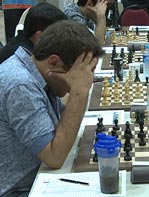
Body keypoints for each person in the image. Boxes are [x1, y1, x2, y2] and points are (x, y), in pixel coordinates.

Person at [0, 20, 103, 196]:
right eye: (83, 72)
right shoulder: (20, 85)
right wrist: (79, 92)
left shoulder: (34, 69)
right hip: (21, 190)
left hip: (41, 177)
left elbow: (60, 124)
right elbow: (55, 156)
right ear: (54, 63)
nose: (87, 78)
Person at [0, 2, 67, 64]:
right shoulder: (25, 58)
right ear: (39, 36)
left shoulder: (19, 43)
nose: (60, 42)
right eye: (57, 37)